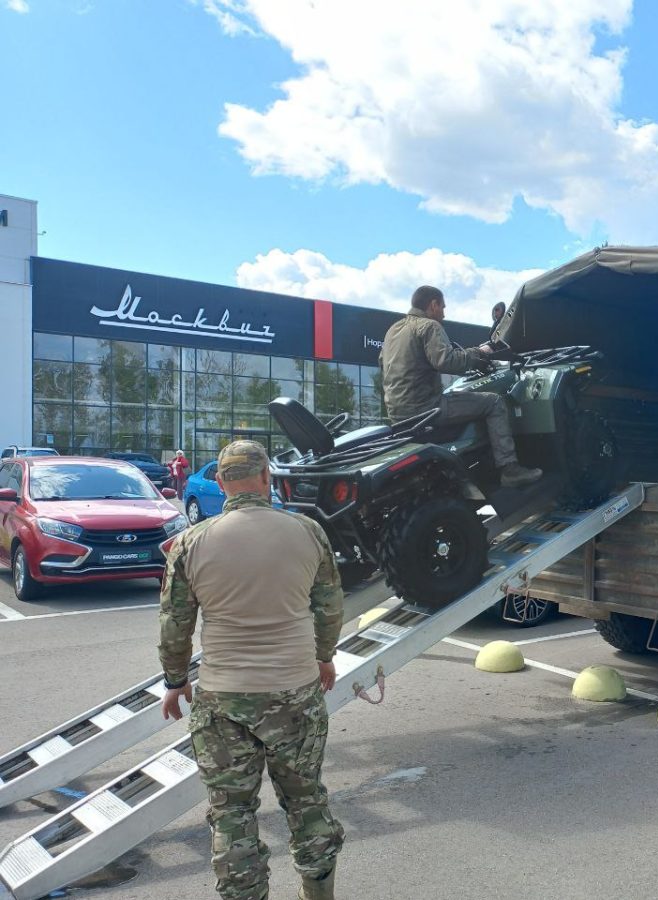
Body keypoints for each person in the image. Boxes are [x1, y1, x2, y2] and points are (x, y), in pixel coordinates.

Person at [159, 440, 345, 900]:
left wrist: (175, 681)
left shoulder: (190, 542)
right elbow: (329, 605)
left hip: (223, 702)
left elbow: (175, 624)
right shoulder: (308, 532)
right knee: (306, 803)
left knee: (231, 815)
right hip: (296, 693)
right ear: (266, 479)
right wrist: (324, 655)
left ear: (221, 484)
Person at [380, 285, 541, 488]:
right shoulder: (429, 326)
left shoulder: (392, 331)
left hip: (398, 415)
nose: (444, 314)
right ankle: (509, 469)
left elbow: (382, 365)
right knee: (494, 402)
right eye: (443, 307)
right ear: (433, 304)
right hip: (427, 407)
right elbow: (447, 361)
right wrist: (480, 354)